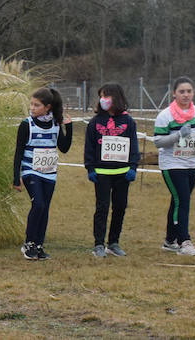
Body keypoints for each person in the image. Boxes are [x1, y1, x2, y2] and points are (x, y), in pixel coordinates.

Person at [12, 88, 74, 261]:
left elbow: (64, 148)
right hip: (31, 171)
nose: (32, 107)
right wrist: (16, 177)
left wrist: (69, 128)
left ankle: (39, 245)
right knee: (38, 204)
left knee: (44, 208)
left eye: (36, 105)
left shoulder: (55, 124)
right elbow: (18, 152)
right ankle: (29, 243)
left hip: (49, 173)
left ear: (47, 107)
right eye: (31, 104)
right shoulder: (26, 125)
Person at [153, 77, 195, 256]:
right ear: (174, 93)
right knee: (183, 201)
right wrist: (177, 136)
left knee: (177, 201)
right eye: (182, 91)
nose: (186, 95)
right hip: (172, 164)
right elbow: (158, 142)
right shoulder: (165, 116)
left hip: (192, 163)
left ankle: (169, 241)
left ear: (194, 93)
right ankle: (184, 242)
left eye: (189, 91)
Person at [83, 84, 138, 258]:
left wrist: (133, 167)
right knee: (102, 208)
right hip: (102, 173)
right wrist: (90, 168)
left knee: (120, 207)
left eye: (107, 96)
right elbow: (89, 146)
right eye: (101, 96)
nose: (103, 99)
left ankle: (113, 242)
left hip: (123, 172)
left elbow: (134, 146)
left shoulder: (128, 121)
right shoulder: (95, 122)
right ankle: (98, 244)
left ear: (116, 97)